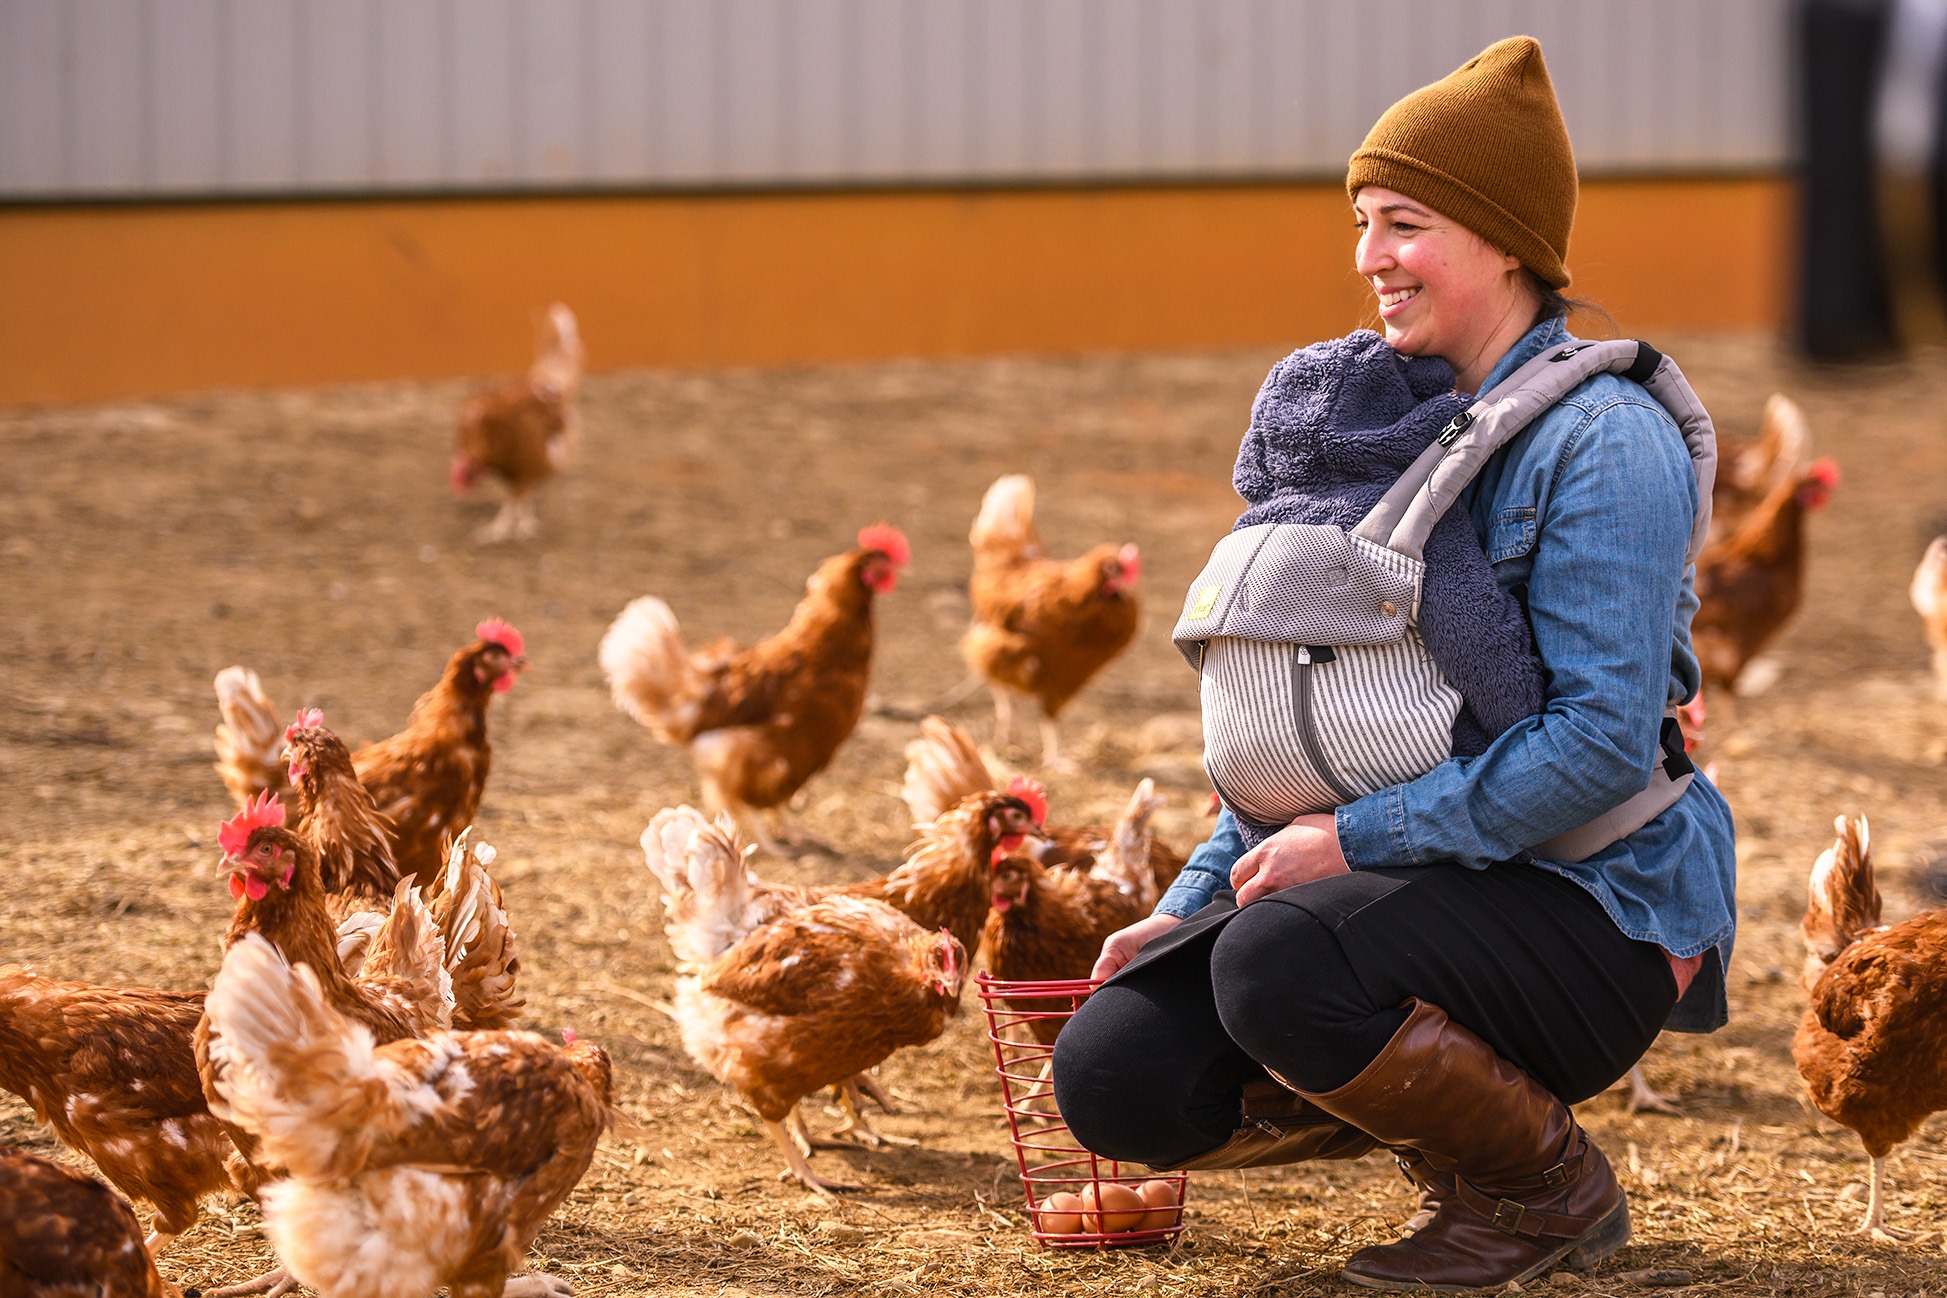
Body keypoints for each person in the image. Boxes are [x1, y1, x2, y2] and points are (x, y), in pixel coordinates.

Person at [1049, 36, 1737, 1294]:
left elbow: (1598, 743)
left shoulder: (1605, 439)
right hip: (1397, 892)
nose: (1370, 256)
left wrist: (1353, 842)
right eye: (1363, 222)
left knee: (1278, 961)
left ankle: (1539, 1186)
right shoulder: (1366, 417)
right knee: (1115, 1071)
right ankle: (1447, 1118)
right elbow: (1319, 720)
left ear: (1507, 242)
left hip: (1590, 905)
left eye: (1406, 224)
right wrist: (1194, 896)